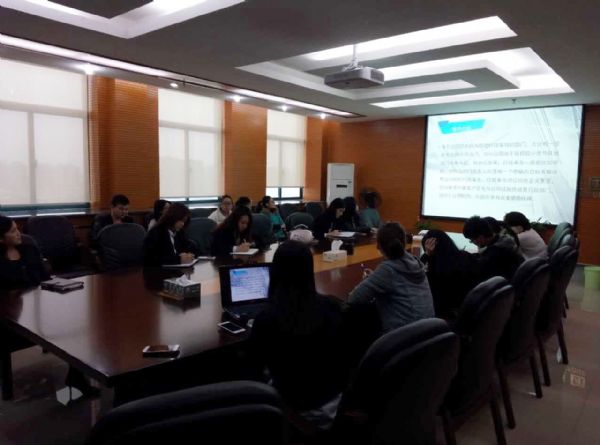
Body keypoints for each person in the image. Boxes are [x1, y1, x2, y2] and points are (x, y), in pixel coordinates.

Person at [248, 241, 346, 424]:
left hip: (295, 411)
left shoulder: (267, 318)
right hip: (334, 403)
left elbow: (253, 370)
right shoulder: (331, 306)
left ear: (275, 271)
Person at [0, 215, 98, 397]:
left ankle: (76, 377)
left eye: (17, 228)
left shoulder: (29, 248)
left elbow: (43, 277)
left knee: (75, 324)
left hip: (38, 306)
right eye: (13, 231)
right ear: (1, 238)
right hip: (9, 316)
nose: (19, 233)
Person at [347, 222, 434, 333]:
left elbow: (353, 299)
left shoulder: (388, 270)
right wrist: (376, 277)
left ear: (379, 246)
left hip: (404, 337)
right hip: (429, 334)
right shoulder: (416, 262)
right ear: (404, 242)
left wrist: (373, 278)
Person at [420, 230, 477, 318]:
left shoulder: (439, 273)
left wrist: (427, 255)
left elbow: (416, 272)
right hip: (465, 312)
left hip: (446, 316)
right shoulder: (465, 257)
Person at [461, 216, 524, 282]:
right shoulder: (504, 241)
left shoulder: (496, 252)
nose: (473, 243)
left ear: (480, 238)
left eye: (471, 240)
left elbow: (479, 269)